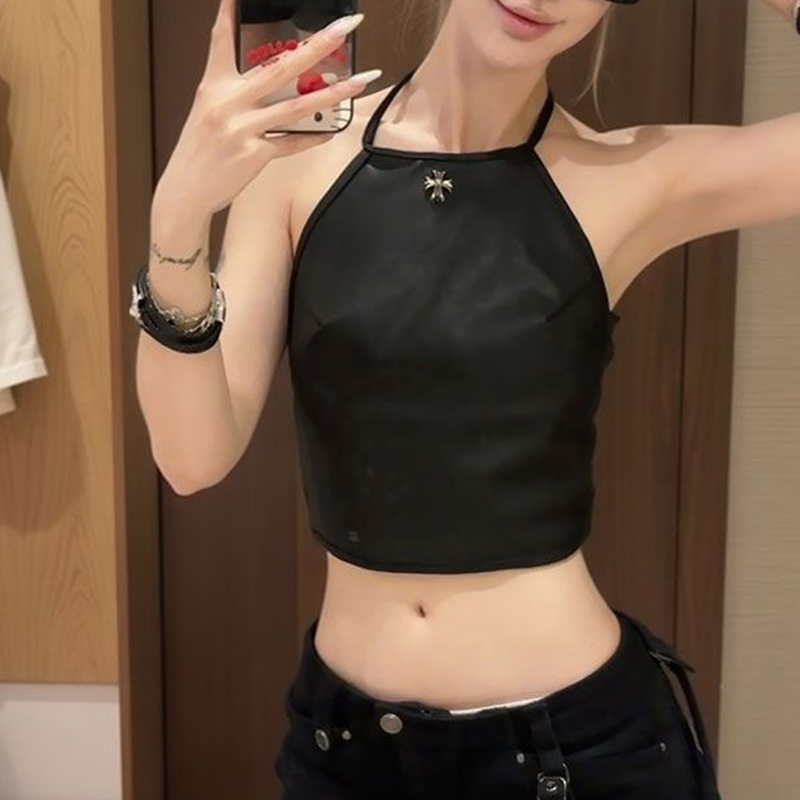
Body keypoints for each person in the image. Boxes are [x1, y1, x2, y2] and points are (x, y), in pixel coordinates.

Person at [132, 0, 800, 797]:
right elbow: (192, 459)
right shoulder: (295, 160)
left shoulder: (630, 177)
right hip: (344, 753)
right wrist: (177, 220)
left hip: (577, 756)